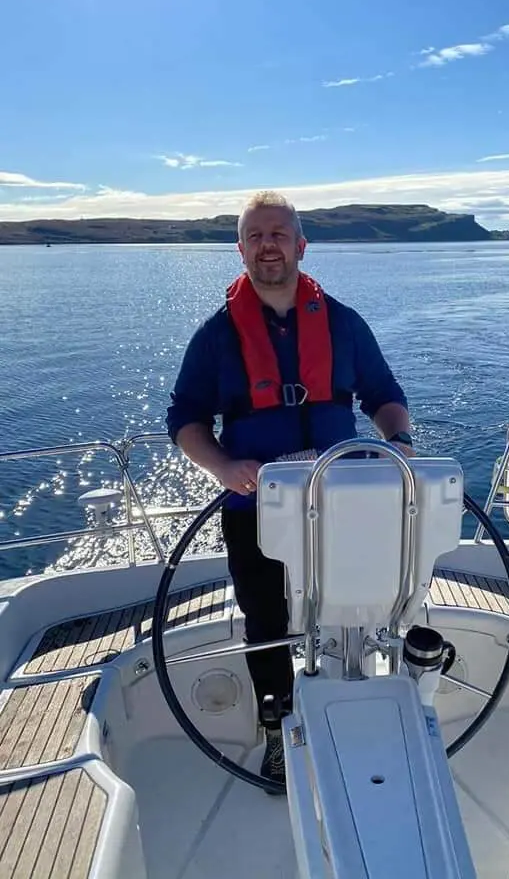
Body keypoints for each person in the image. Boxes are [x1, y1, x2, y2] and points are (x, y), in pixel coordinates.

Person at [166, 190, 413, 787]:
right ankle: (278, 729)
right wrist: (222, 468)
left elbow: (383, 395)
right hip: (256, 507)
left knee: (354, 605)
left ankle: (352, 703)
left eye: (278, 233)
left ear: (301, 245)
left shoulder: (344, 325)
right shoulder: (216, 336)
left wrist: (400, 442)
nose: (267, 245)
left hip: (340, 504)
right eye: (255, 235)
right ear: (240, 250)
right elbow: (185, 419)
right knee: (265, 622)